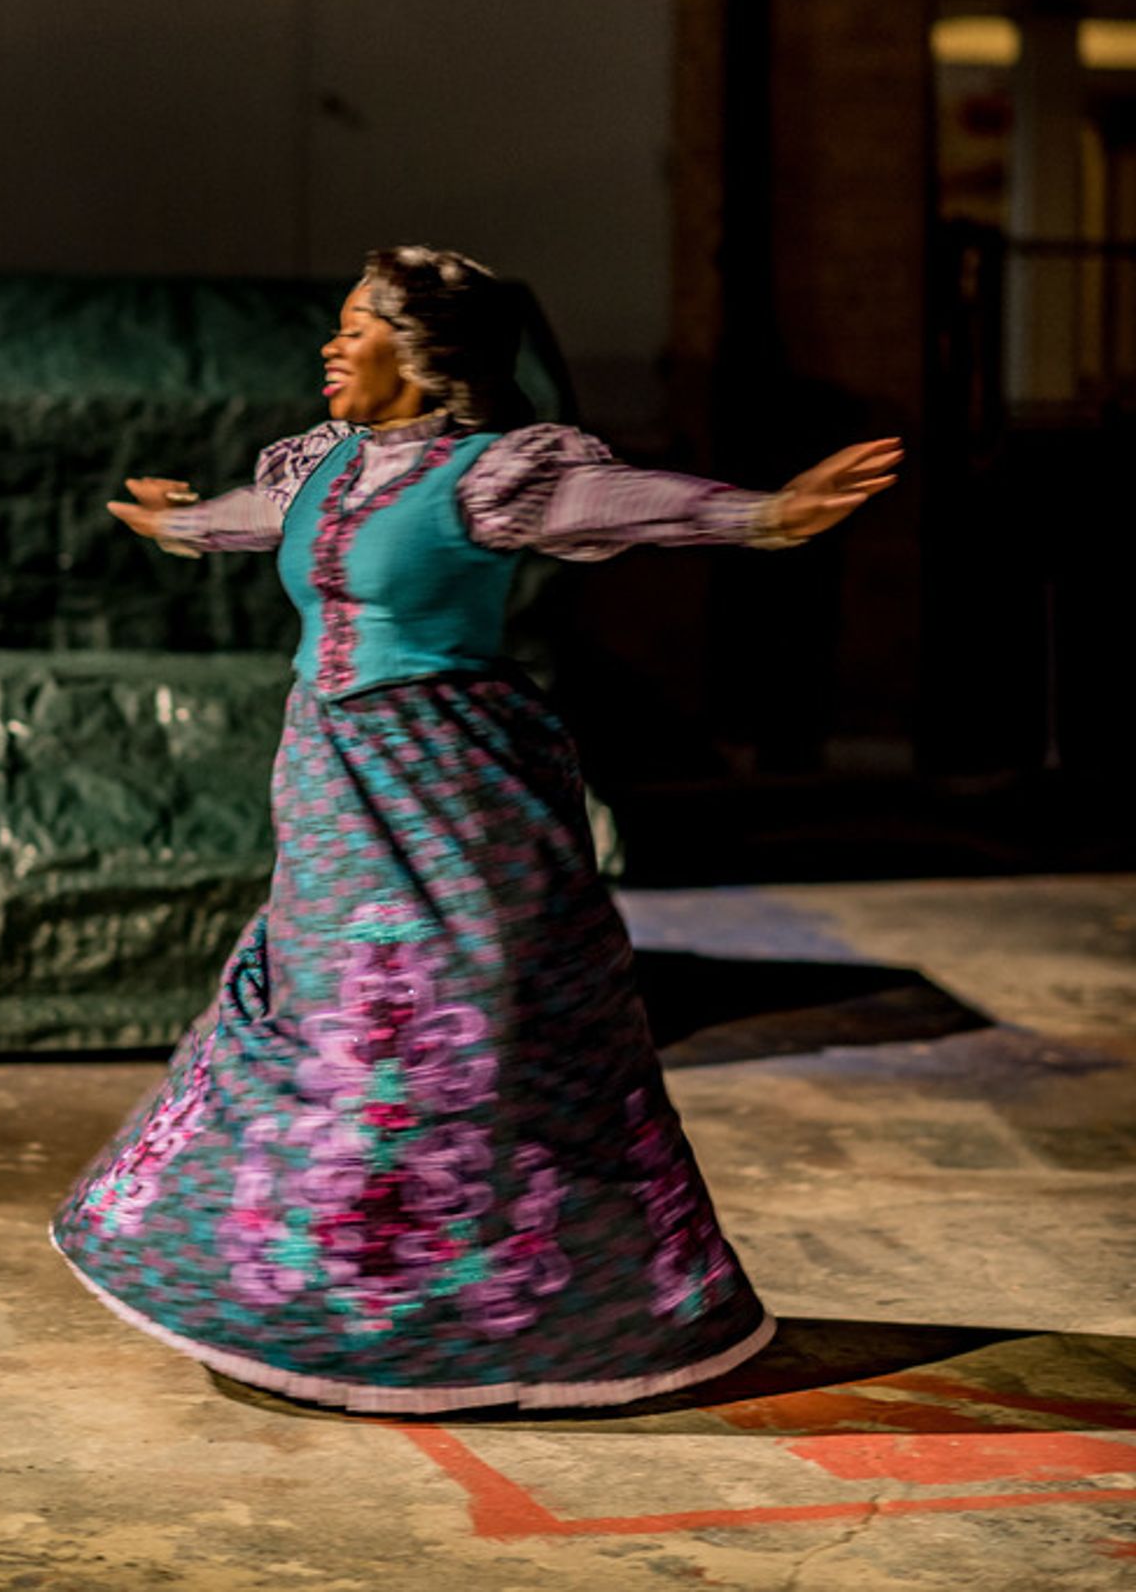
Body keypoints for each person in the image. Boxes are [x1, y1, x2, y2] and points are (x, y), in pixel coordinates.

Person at [50, 245, 901, 1414]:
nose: (331, 346)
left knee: (448, 1038)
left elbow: (622, 502)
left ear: (426, 349)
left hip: (453, 787)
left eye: (358, 326)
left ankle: (494, 1317)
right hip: (329, 783)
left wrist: (761, 516)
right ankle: (311, 1297)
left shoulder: (488, 475)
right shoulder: (324, 466)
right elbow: (259, 520)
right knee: (316, 1021)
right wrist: (186, 525)